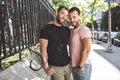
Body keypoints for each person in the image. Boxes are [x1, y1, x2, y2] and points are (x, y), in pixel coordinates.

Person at [39, 6, 71, 80]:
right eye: (62, 13)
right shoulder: (46, 29)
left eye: (66, 16)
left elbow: (72, 44)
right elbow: (42, 49)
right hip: (55, 67)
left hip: (68, 65)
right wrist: (46, 67)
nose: (64, 17)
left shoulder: (67, 30)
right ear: (56, 13)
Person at [69, 7, 92, 80]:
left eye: (74, 17)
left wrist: (80, 66)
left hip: (82, 66)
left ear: (79, 16)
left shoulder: (84, 29)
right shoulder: (72, 30)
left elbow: (87, 49)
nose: (72, 20)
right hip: (75, 66)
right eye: (70, 18)